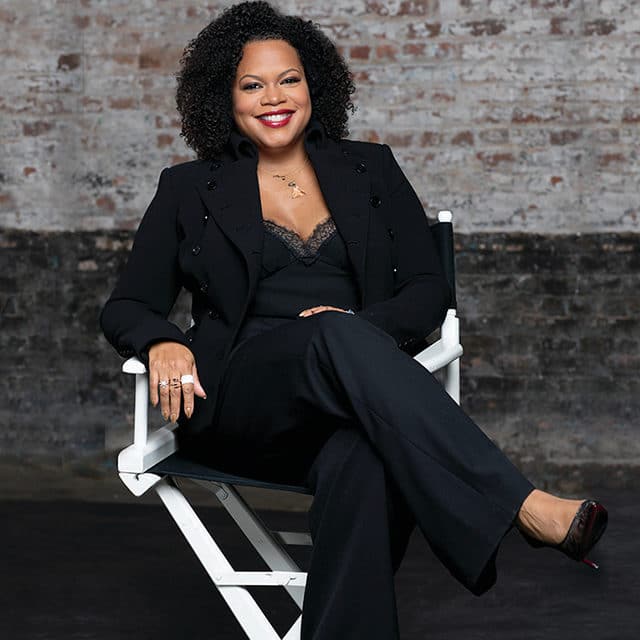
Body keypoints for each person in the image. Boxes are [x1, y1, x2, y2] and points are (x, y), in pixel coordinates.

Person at [100, 2, 608, 638]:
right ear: (223, 98)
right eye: (252, 85)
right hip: (241, 398)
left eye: (289, 79)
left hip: (352, 396)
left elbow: (427, 289)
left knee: (365, 461)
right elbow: (126, 305)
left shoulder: (371, 169)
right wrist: (161, 341)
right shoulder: (188, 187)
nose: (274, 98)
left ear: (314, 84)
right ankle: (522, 504)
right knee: (335, 335)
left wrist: (363, 328)